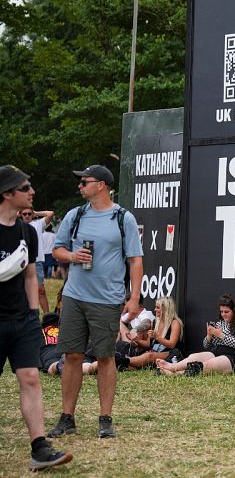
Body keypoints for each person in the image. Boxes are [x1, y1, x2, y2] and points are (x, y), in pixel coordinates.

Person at [49, 163, 143, 440]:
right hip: (74, 296)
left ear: (101, 185)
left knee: (105, 357)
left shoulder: (122, 218)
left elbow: (135, 260)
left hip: (107, 299)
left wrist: (134, 297)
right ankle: (67, 418)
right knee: (72, 355)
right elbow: (57, 250)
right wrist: (72, 256)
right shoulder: (75, 215)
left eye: (84, 181)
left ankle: (105, 419)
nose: (80, 186)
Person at [0, 165, 72, 469]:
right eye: (25, 187)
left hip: (23, 321)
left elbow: (31, 275)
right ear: (7, 193)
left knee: (30, 378)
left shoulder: (27, 232)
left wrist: (32, 313)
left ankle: (39, 448)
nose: (32, 192)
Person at [157, 294, 235, 376]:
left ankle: (177, 373)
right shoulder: (221, 323)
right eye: (221, 311)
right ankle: (173, 367)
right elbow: (207, 346)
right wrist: (209, 336)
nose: (223, 314)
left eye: (226, 312)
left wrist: (222, 336)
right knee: (194, 356)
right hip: (218, 351)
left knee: (209, 364)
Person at [124, 296, 183, 369]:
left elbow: (172, 345)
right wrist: (137, 340)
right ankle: (123, 362)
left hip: (169, 353)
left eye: (158, 307)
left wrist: (157, 337)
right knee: (144, 356)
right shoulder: (155, 322)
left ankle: (122, 361)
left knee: (149, 356)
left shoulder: (175, 322)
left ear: (165, 309)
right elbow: (148, 344)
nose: (155, 309)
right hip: (154, 352)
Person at [20, 208, 52, 314]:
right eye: (25, 214)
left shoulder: (38, 224)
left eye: (29, 214)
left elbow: (50, 214)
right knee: (22, 291)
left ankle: (47, 317)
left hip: (36, 261)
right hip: (21, 262)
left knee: (40, 290)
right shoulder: (16, 225)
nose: (27, 216)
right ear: (21, 215)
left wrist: (36, 213)